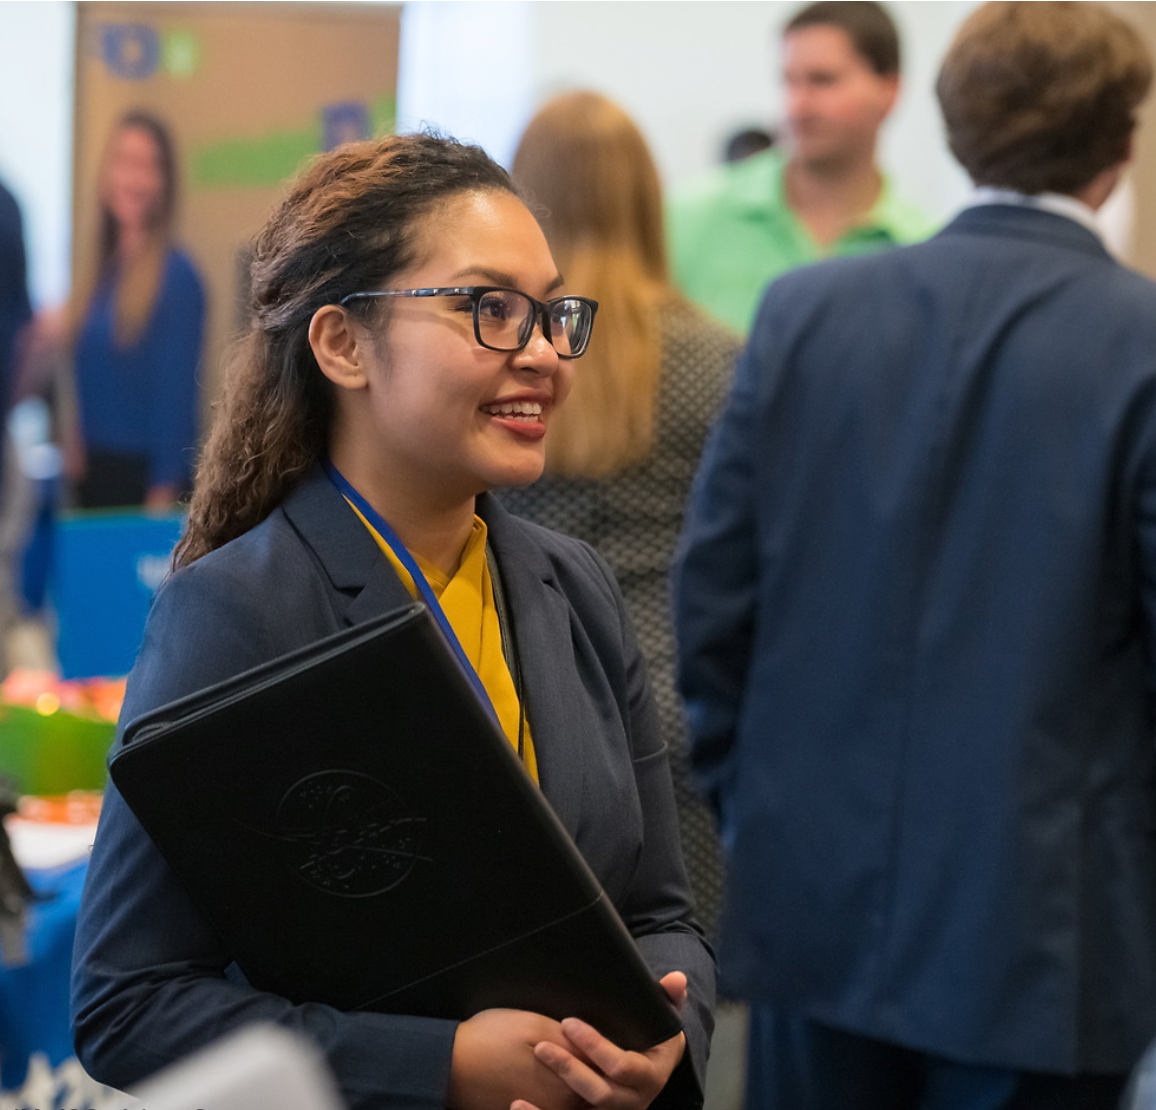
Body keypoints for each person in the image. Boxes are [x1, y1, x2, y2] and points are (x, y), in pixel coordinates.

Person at [71, 133, 716, 1110]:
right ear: (342, 344)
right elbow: (127, 1002)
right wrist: (446, 1068)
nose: (542, 351)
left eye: (550, 314)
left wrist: (668, 1035)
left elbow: (662, 915)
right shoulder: (238, 612)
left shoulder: (569, 585)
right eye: (488, 309)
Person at [674, 3, 1156, 1108]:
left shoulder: (800, 316)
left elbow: (713, 607)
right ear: (1120, 147)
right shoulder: (1136, 344)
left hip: (814, 917)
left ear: (948, 127)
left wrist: (761, 809)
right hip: (1049, 942)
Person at [501, 91, 740, 940]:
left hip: (521, 688)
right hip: (677, 705)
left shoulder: (502, 356)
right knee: (678, 972)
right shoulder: (716, 359)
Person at [667, 0, 934, 335]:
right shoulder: (686, 220)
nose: (797, 105)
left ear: (889, 90)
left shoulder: (922, 247)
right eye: (789, 81)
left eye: (822, 81)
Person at [71, 110, 204, 510]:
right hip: (91, 473)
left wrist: (162, 494)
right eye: (125, 162)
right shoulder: (99, 270)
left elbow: (176, 399)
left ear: (165, 182)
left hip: (143, 481)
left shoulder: (177, 275)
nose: (135, 178)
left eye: (148, 166)